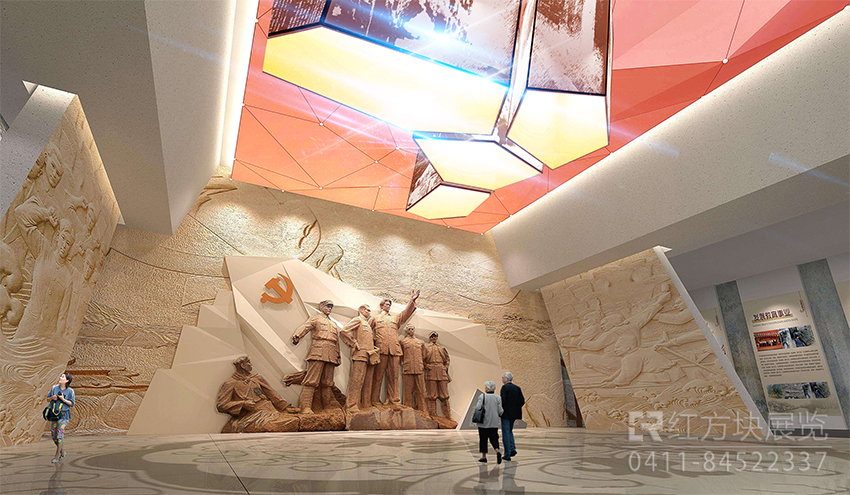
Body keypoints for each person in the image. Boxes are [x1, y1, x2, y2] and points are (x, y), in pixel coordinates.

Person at [291, 300, 342, 414]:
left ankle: (327, 407)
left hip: (331, 353)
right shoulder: (316, 319)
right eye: (327, 306)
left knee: (328, 382)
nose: (329, 309)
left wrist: (338, 356)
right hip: (318, 350)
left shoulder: (333, 324)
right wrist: (297, 336)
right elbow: (305, 327)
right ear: (321, 307)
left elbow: (336, 341)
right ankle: (305, 407)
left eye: (331, 307)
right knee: (311, 380)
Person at [45, 372, 75, 463]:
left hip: (64, 415)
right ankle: (62, 452)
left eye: (62, 377)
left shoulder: (70, 391)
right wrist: (52, 398)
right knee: (54, 436)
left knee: (59, 435)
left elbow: (72, 404)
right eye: (61, 376)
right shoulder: (54, 388)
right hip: (54, 415)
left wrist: (63, 400)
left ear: (67, 380)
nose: (60, 377)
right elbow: (47, 399)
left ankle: (57, 455)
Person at [474, 380, 503, 464]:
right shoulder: (498, 398)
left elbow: (478, 407)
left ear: (487, 388)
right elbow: (500, 411)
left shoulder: (482, 396)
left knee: (483, 439)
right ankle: (497, 451)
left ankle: (484, 457)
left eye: (485, 387)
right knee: (494, 438)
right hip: (494, 422)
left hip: (483, 422)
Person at [499, 372, 524, 461]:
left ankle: (507, 454)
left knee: (505, 433)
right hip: (514, 414)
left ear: (506, 378)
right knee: (509, 431)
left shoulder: (505, 388)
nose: (502, 379)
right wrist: (515, 408)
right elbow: (522, 401)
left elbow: (503, 401)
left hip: (506, 414)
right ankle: (512, 448)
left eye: (503, 377)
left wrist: (501, 410)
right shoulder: (517, 388)